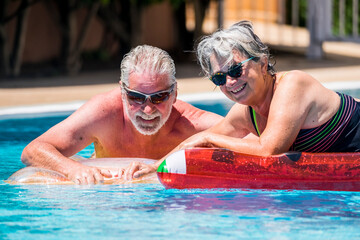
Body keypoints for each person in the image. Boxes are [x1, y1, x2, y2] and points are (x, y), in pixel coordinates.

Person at [128, 20, 360, 179]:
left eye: (236, 70)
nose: (229, 82)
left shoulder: (292, 85)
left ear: (262, 63)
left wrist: (211, 139)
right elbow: (198, 140)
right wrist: (154, 165)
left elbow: (268, 150)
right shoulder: (246, 112)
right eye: (219, 77)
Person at [21, 45, 223, 184]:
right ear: (123, 92)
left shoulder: (193, 125)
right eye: (136, 97)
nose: (147, 109)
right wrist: (73, 169)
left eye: (159, 97)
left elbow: (253, 139)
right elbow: (33, 150)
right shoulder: (103, 114)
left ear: (175, 93)